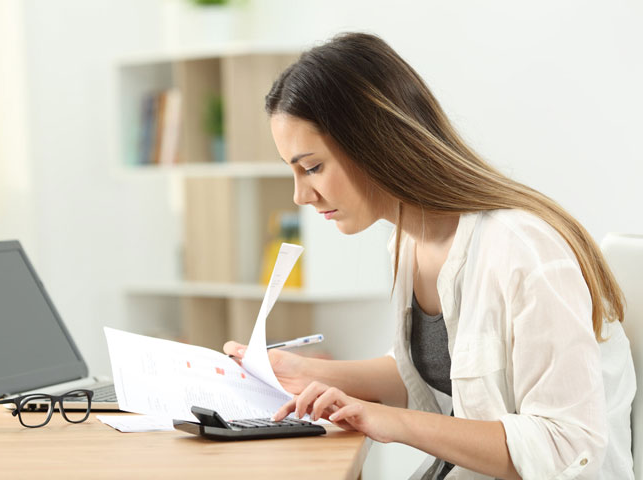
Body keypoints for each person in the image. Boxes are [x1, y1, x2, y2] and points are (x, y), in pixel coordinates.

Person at [223, 32, 635, 479]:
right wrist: (300, 372)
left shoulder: (524, 251)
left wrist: (391, 422)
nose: (302, 195)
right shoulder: (408, 241)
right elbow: (431, 369)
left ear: (373, 142)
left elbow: (567, 446)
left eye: (313, 167)